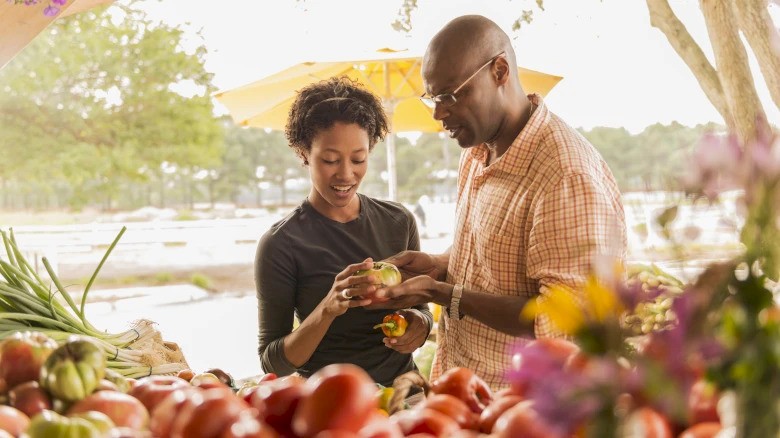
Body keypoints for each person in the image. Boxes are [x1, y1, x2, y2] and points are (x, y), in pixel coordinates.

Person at [370, 15, 627, 390]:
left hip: (524, 411)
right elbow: (498, 261)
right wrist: (441, 266)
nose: (439, 113)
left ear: (500, 71)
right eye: (432, 99)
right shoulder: (476, 151)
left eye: (449, 96)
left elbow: (567, 320)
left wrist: (441, 293)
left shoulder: (565, 173)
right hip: (461, 396)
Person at [255, 76, 433, 387]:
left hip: (403, 391)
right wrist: (327, 309)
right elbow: (273, 363)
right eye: (330, 160)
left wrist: (418, 324)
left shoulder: (398, 221)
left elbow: (420, 308)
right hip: (328, 400)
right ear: (303, 153)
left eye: (359, 159)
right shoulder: (281, 243)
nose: (346, 174)